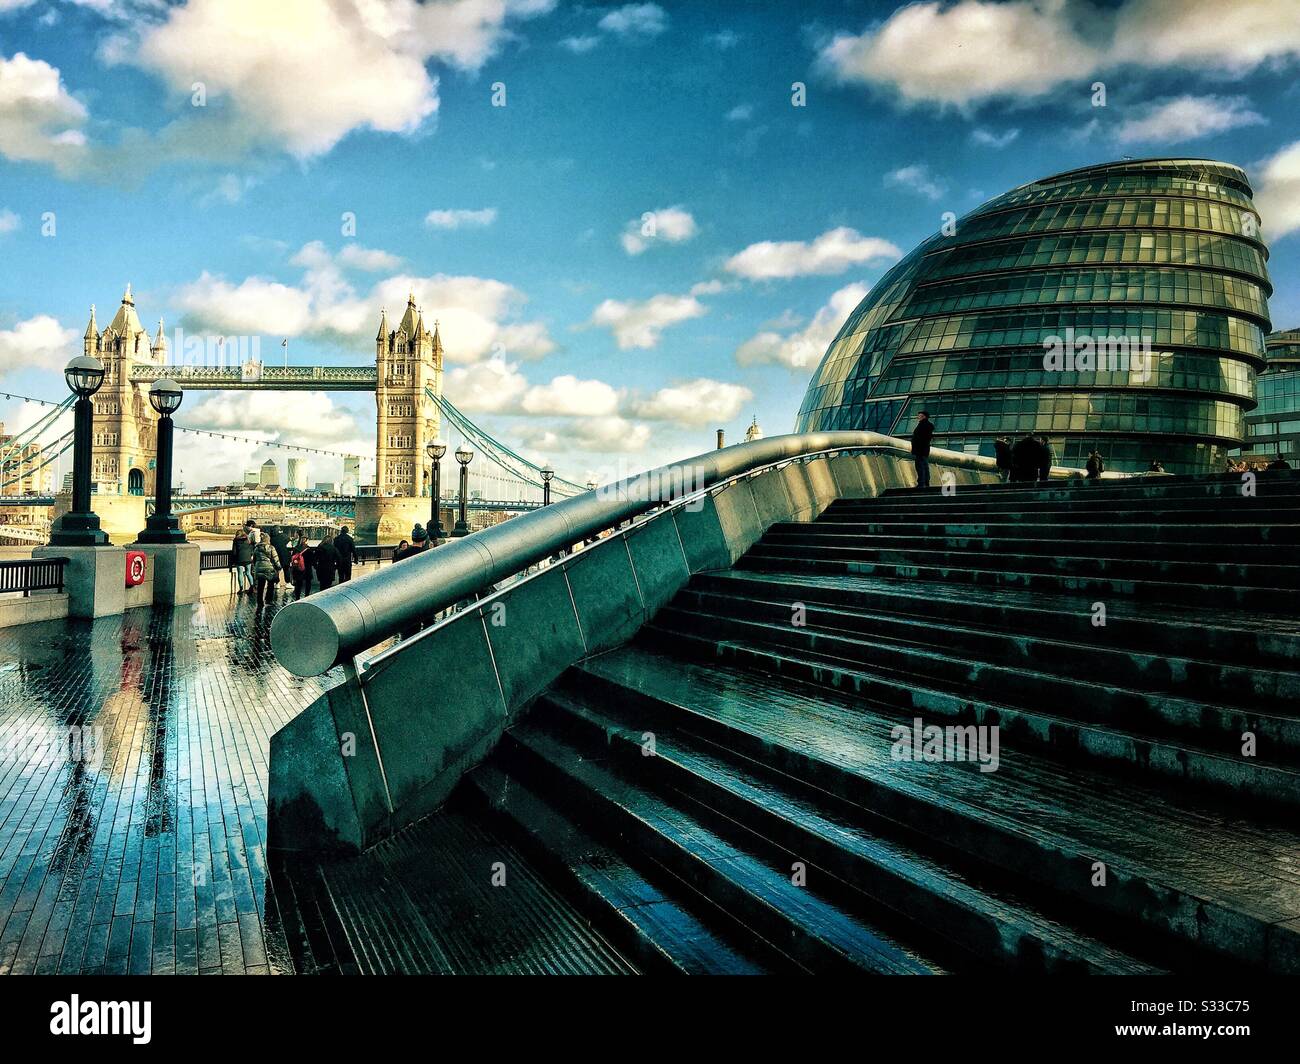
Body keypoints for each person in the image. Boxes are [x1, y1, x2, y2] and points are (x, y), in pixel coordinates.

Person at [251, 535, 281, 606]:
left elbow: (254, 559)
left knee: (260, 586)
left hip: (259, 568)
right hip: (269, 568)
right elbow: (275, 558)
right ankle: (268, 600)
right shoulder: (271, 548)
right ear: (268, 539)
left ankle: (260, 602)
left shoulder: (256, 548)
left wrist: (256, 567)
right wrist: (279, 567)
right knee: (270, 584)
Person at [910, 410, 934, 489]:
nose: (918, 417)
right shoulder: (926, 425)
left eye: (919, 416)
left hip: (920, 450)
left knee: (920, 466)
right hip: (923, 449)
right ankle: (925, 482)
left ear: (924, 416)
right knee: (924, 466)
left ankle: (921, 483)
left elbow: (921, 438)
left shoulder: (923, 425)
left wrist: (916, 446)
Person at [289, 529, 313, 600]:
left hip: (297, 569)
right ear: (306, 540)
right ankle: (307, 596)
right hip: (307, 568)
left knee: (298, 584)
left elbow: (292, 557)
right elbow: (312, 559)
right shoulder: (308, 549)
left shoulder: (296, 548)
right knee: (308, 582)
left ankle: (297, 597)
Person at [232, 527, 254, 595]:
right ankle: (252, 587)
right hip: (248, 559)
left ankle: (241, 589)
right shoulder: (248, 539)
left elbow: (234, 552)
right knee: (248, 573)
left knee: (240, 574)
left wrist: (234, 560)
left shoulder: (236, 540)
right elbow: (251, 548)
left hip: (240, 559)